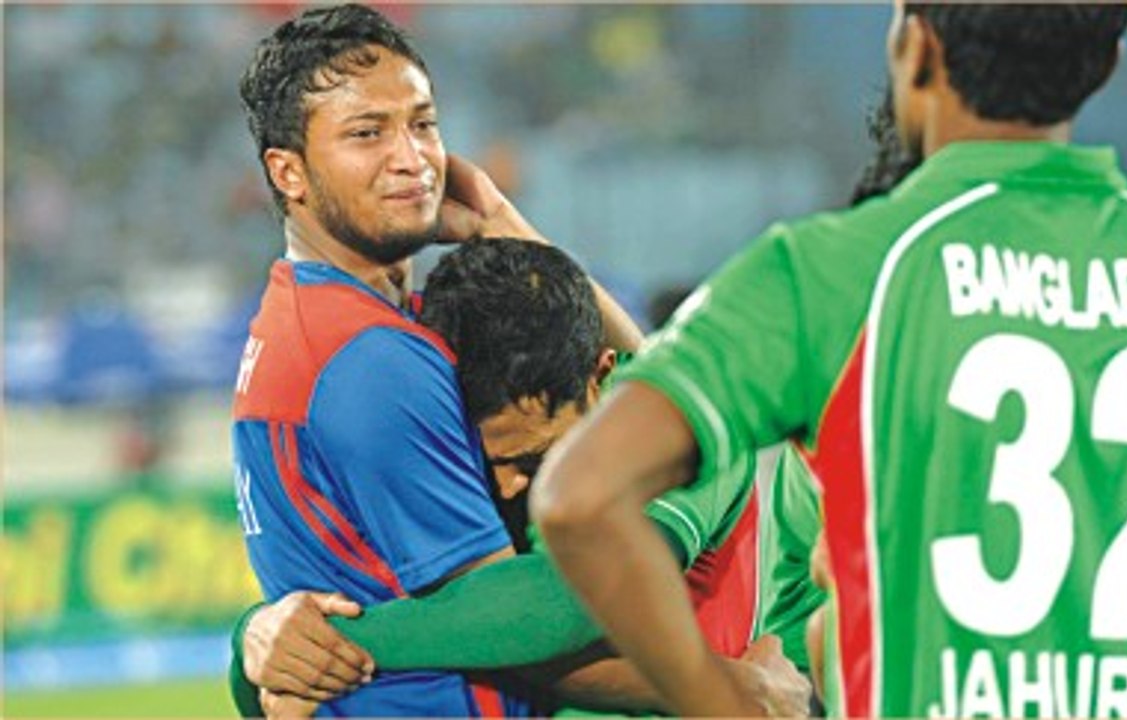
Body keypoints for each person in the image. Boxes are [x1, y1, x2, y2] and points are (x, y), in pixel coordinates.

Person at [532, 3, 1127, 718]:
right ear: (1105, 63)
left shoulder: (829, 270)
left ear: (914, 44)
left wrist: (720, 699)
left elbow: (579, 496)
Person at [231, 4, 643, 716]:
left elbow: (644, 382)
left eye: (422, 124)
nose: (411, 157)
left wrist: (501, 228)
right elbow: (515, 626)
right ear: (288, 174)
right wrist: (726, 686)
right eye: (367, 133)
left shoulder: (331, 320)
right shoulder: (369, 359)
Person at [232, 238, 809, 717]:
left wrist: (335, 646)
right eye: (493, 464)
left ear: (599, 379)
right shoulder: (455, 431)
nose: (508, 487)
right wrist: (261, 639)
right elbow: (490, 628)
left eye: (534, 461)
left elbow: (564, 605)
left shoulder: (688, 440)